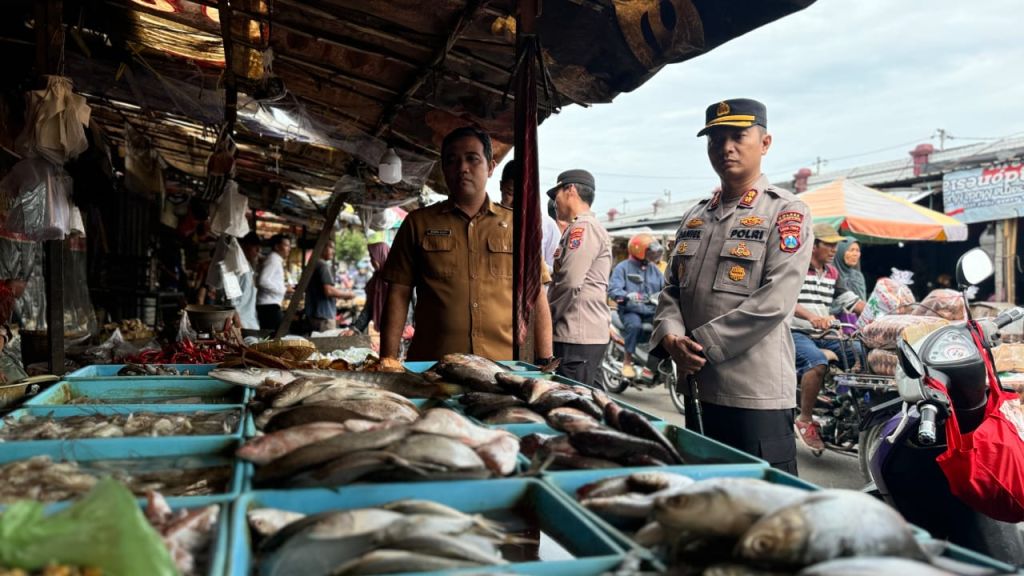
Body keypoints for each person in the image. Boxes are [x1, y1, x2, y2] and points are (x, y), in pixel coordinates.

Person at [651, 98, 813, 474]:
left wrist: (700, 345)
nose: (726, 147)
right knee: (709, 502)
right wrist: (671, 336)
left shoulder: (786, 212)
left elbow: (776, 300)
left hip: (754, 395)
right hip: (696, 386)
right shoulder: (695, 217)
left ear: (766, 143)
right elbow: (671, 289)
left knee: (764, 513)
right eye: (715, 139)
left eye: (738, 136)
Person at [379, 126, 553, 362]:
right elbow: (398, 294)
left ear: (491, 167)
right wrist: (387, 360)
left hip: (501, 370)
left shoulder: (519, 227)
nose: (462, 168)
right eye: (452, 160)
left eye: (472, 159)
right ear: (443, 169)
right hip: (433, 367)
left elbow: (536, 296)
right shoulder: (417, 224)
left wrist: (545, 361)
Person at [791, 223, 866, 453]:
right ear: (814, 246)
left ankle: (853, 409)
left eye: (836, 245)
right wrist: (813, 317)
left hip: (825, 334)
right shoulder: (796, 268)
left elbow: (852, 303)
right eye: (829, 245)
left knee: (861, 350)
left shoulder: (833, 273)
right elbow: (785, 301)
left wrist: (883, 316)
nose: (834, 250)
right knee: (817, 363)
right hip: (797, 332)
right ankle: (805, 419)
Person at [547, 169, 612, 387]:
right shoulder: (584, 227)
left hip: (576, 335)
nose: (554, 202)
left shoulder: (582, 228)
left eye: (555, 194)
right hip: (582, 335)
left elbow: (570, 281)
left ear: (570, 190)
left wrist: (547, 317)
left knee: (574, 408)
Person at [608, 233, 665, 378]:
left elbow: (664, 287)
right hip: (629, 310)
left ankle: (652, 365)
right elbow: (614, 289)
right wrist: (625, 297)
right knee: (635, 326)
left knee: (665, 327)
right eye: (649, 252)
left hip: (650, 310)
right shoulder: (623, 268)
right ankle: (627, 362)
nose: (653, 255)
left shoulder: (654, 269)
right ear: (639, 250)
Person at [500, 161, 561, 270]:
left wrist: (533, 267)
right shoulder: (488, 221)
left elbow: (555, 268)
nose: (516, 202)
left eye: (523, 196)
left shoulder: (547, 225)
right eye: (510, 193)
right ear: (501, 186)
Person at [306, 242, 353, 332]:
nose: (333, 251)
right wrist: (348, 295)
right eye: (331, 248)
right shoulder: (323, 265)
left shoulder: (313, 263)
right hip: (323, 317)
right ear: (322, 248)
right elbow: (329, 291)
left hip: (314, 315)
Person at [351, 241, 391, 333]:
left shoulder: (396, 278)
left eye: (373, 257)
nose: (371, 261)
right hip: (384, 330)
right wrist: (355, 328)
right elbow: (369, 307)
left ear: (382, 256)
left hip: (401, 330)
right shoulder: (376, 279)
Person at [228, 232, 262, 331]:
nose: (257, 251)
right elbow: (232, 301)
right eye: (254, 248)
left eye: (258, 248)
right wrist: (239, 326)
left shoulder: (248, 267)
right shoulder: (235, 267)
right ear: (243, 246)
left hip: (251, 323)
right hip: (242, 324)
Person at [257, 234, 291, 331]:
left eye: (289, 246)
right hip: (268, 306)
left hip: (270, 305)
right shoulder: (273, 259)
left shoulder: (276, 259)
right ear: (276, 246)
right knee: (279, 335)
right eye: (286, 245)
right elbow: (263, 281)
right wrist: (283, 289)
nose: (289, 248)